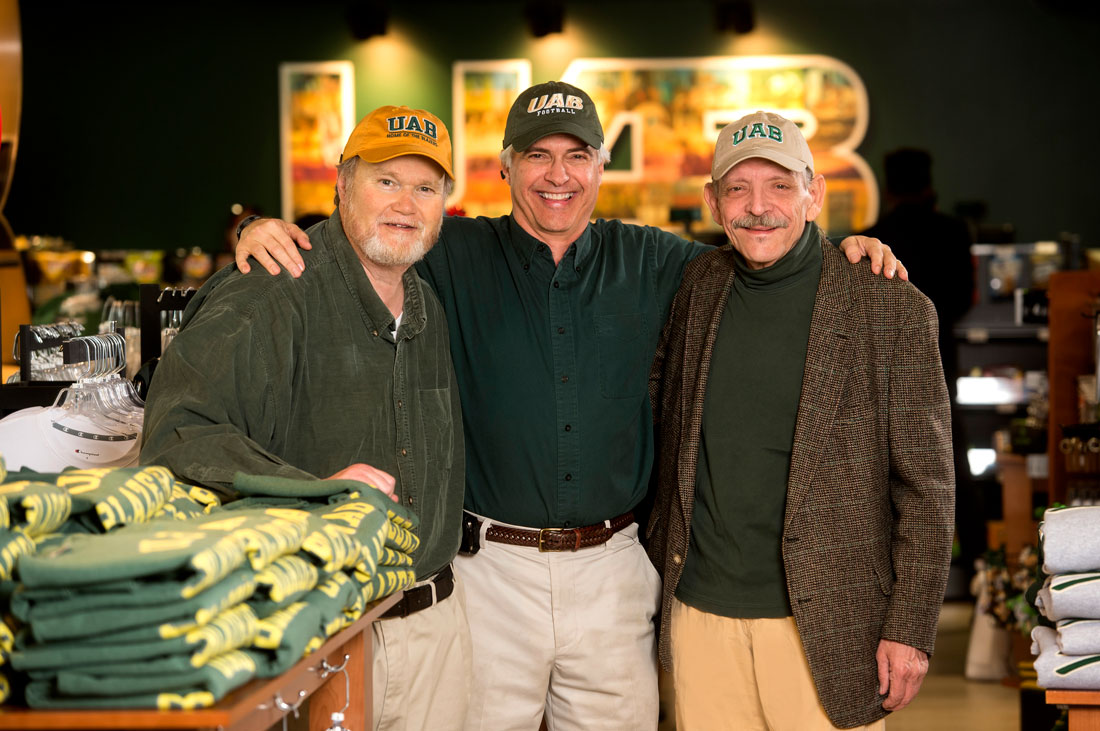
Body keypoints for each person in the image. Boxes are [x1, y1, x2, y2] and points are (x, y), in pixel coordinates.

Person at [236, 82, 903, 731]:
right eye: (537, 156)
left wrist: (843, 251)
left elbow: (766, 253)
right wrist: (253, 226)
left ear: (600, 167)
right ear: (504, 168)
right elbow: (370, 231)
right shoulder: (453, 251)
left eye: (577, 155)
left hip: (614, 568)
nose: (558, 175)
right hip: (489, 569)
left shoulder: (657, 259)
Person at [140, 105, 471, 731]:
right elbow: (177, 431)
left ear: (444, 203)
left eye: (425, 187)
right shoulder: (274, 283)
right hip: (320, 633)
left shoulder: (427, 299)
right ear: (342, 185)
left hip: (435, 625)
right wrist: (312, 492)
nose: (406, 203)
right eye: (386, 181)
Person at [647, 111, 954, 730]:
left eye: (780, 186)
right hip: (699, 618)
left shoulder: (887, 303)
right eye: (738, 188)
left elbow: (929, 489)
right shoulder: (697, 285)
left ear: (814, 194)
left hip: (830, 627)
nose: (759, 207)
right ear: (712, 202)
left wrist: (910, 629)